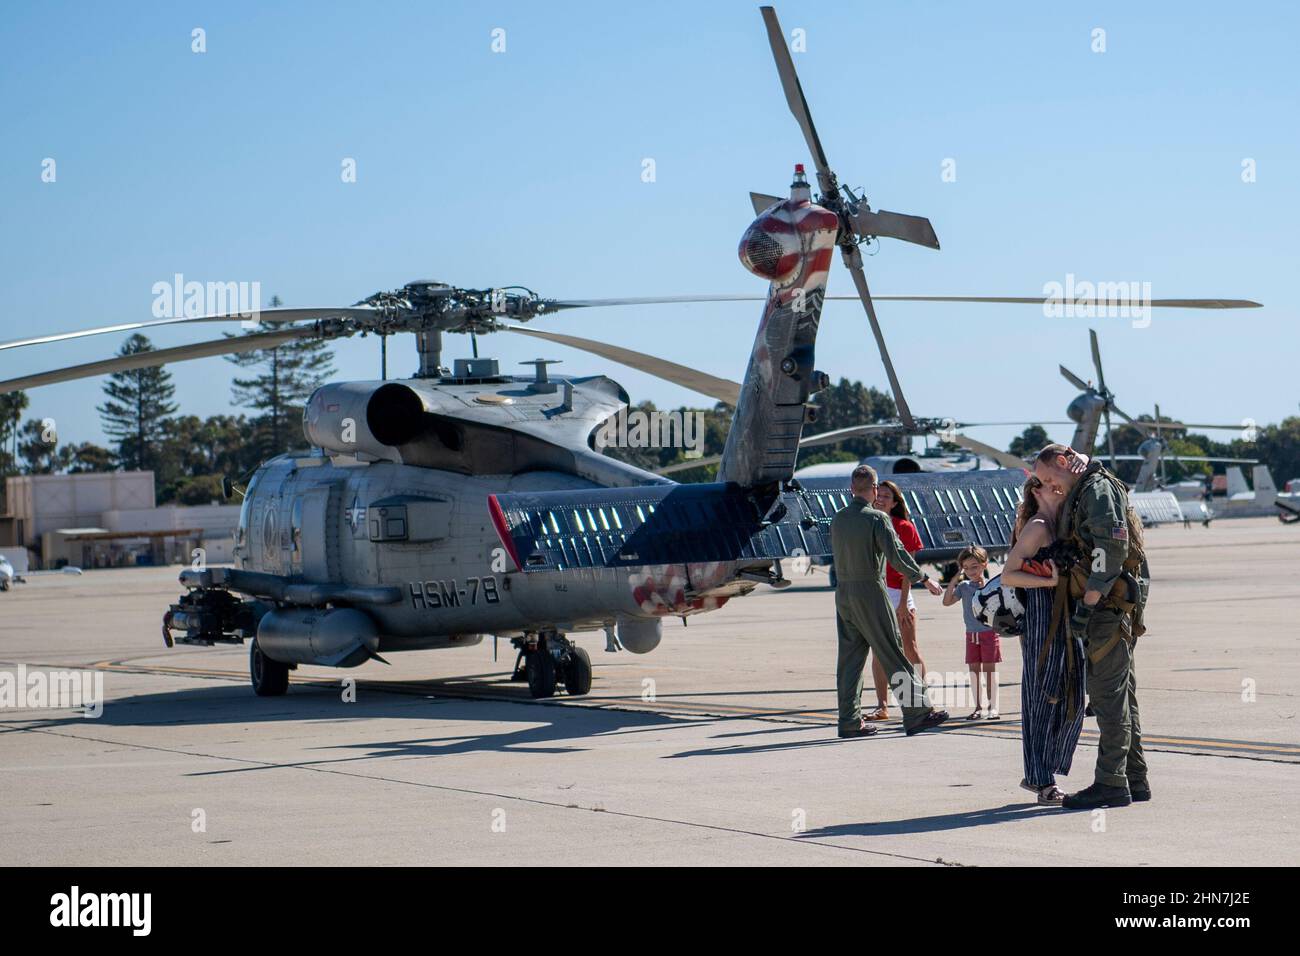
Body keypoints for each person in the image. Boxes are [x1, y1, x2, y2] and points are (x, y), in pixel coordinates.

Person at [1034, 444, 1150, 809]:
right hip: (1110, 604)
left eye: (1051, 477)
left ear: (1065, 463)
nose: (1051, 485)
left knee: (1107, 696)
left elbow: (1111, 551)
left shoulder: (1097, 490)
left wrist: (1088, 603)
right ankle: (1134, 777)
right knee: (1121, 693)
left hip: (1107, 607)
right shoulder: (1087, 489)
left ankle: (1111, 784)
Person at [831, 464, 949, 738]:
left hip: (844, 594)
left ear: (851, 489)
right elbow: (897, 555)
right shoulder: (877, 519)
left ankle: (849, 720)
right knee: (893, 651)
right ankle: (917, 711)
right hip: (870, 590)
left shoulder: (838, 518)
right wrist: (923, 577)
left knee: (849, 660)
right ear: (873, 490)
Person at [1001, 475, 1085, 805]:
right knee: (1042, 695)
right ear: (1037, 491)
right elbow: (1009, 573)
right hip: (1042, 617)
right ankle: (1040, 779)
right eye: (1050, 484)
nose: (1058, 486)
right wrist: (1050, 584)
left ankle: (1044, 768)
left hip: (1068, 615)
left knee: (1075, 694)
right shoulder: (1036, 526)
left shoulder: (1063, 522)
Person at [862, 479, 927, 721]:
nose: (881, 499)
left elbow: (909, 567)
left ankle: (922, 700)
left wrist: (902, 602)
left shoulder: (904, 527)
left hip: (899, 592)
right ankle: (882, 706)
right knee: (878, 652)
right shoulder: (867, 522)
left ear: (895, 502)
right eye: (879, 494)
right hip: (876, 593)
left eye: (887, 496)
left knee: (909, 649)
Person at [943, 545, 1001, 720]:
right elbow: (947, 602)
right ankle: (978, 707)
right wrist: (954, 580)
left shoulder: (993, 585)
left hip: (989, 634)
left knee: (990, 673)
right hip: (971, 635)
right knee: (974, 673)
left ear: (984, 564)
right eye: (966, 568)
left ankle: (993, 706)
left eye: (974, 567)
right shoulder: (964, 587)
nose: (970, 571)